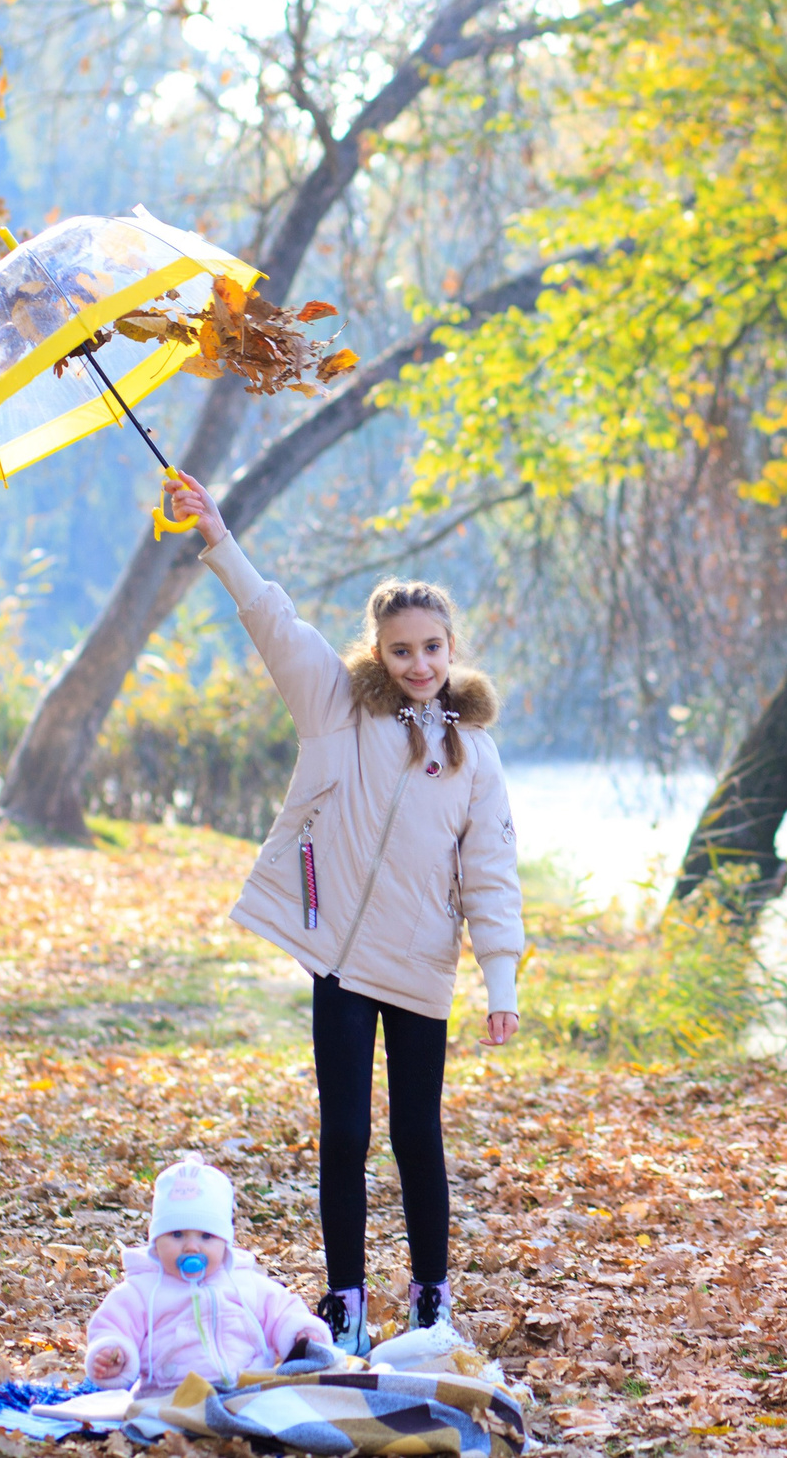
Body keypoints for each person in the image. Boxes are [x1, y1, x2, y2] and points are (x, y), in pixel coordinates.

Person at [169, 470, 524, 1355]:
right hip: (338, 960)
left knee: (416, 1137)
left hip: (419, 967)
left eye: (432, 647)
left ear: (452, 648)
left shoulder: (472, 754)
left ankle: (432, 1300)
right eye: (401, 649)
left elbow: (491, 870)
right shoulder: (337, 708)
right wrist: (218, 534)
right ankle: (347, 1301)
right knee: (344, 1134)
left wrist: (500, 977)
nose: (418, 663)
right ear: (378, 649)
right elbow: (273, 622)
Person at [83, 1157, 335, 1393]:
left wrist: (300, 1334)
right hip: (170, 1392)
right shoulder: (141, 1290)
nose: (192, 1247)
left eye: (206, 1236)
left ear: (224, 1243)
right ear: (156, 1240)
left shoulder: (244, 1282)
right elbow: (113, 1326)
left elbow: (282, 1312)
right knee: (149, 1421)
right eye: (177, 1235)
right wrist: (113, 1354)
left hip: (248, 1386)